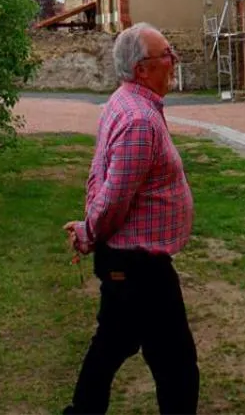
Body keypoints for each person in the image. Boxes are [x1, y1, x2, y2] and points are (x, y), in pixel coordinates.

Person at [63, 23, 199, 414]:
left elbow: (98, 175)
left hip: (129, 263)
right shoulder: (138, 120)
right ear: (142, 69)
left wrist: (89, 229)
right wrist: (89, 232)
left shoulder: (123, 103)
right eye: (166, 55)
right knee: (177, 366)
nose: (173, 61)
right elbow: (114, 195)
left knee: (113, 343)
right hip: (139, 267)